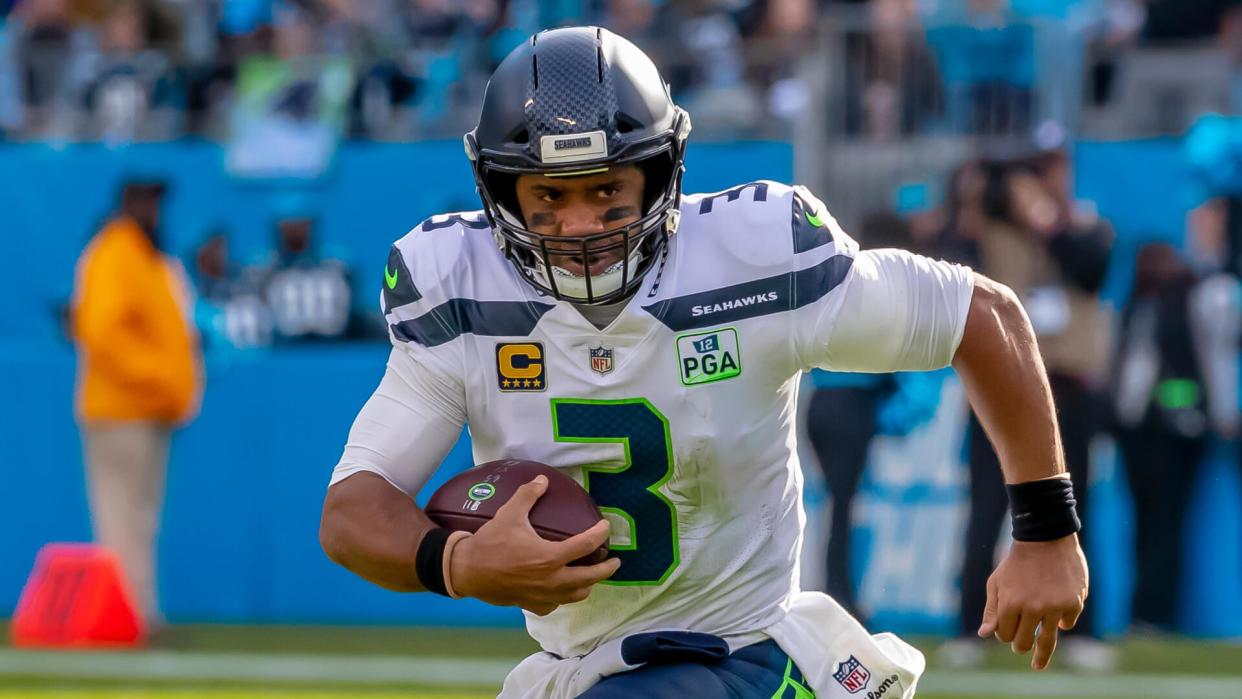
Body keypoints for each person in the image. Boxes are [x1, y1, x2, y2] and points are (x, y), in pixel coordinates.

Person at [320, 27, 1087, 698]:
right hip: (586, 669)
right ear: (500, 193)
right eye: (548, 196)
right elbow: (355, 506)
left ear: (660, 176)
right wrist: (453, 561)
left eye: (606, 192)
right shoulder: (459, 287)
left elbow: (982, 317)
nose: (579, 226)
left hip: (746, 657)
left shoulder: (747, 258)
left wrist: (1046, 530)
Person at [941, 150, 1115, 671]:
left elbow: (1092, 269)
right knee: (984, 509)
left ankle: (1079, 630)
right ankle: (972, 627)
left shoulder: (1082, 229)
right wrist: (976, 205)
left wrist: (1044, 219)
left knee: (1073, 509)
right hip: (1001, 387)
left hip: (1067, 386)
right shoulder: (986, 233)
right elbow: (944, 268)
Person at [72, 179, 202, 626]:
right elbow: (101, 334)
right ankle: (125, 618)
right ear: (127, 202)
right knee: (121, 519)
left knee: (139, 520)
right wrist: (160, 379)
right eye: (147, 199)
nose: (155, 209)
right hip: (120, 409)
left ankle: (139, 615)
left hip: (146, 410)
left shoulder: (147, 256)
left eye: (158, 200)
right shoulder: (114, 251)